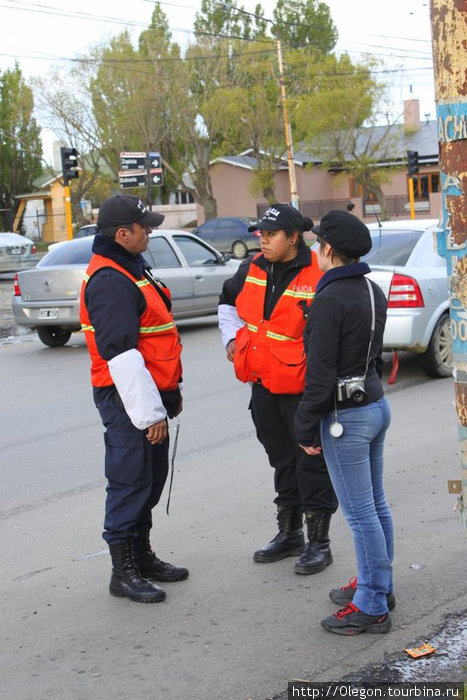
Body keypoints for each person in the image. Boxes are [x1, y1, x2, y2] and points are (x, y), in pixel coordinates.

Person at [80, 194, 188, 604]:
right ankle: (122, 571)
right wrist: (148, 414)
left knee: (150, 480)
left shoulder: (131, 266)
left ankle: (141, 557)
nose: (151, 231)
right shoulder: (110, 280)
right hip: (127, 398)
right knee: (129, 481)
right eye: (145, 227)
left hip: (148, 395)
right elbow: (121, 356)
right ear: (123, 234)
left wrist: (168, 394)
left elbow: (154, 338)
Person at [218, 204, 338, 575]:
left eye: (271, 235)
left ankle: (319, 543)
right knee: (282, 461)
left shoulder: (319, 271)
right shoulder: (252, 268)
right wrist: (230, 341)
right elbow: (226, 301)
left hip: (304, 389)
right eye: (261, 234)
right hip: (264, 386)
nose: (263, 240)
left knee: (311, 463)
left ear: (294, 237)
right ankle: (289, 535)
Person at [294, 210, 394, 635]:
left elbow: (319, 374)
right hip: (374, 407)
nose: (315, 249)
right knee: (376, 506)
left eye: (318, 243)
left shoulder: (329, 300)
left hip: (345, 417)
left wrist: (304, 427)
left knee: (359, 514)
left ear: (329, 249)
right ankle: (379, 585)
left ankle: (371, 602)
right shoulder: (372, 290)